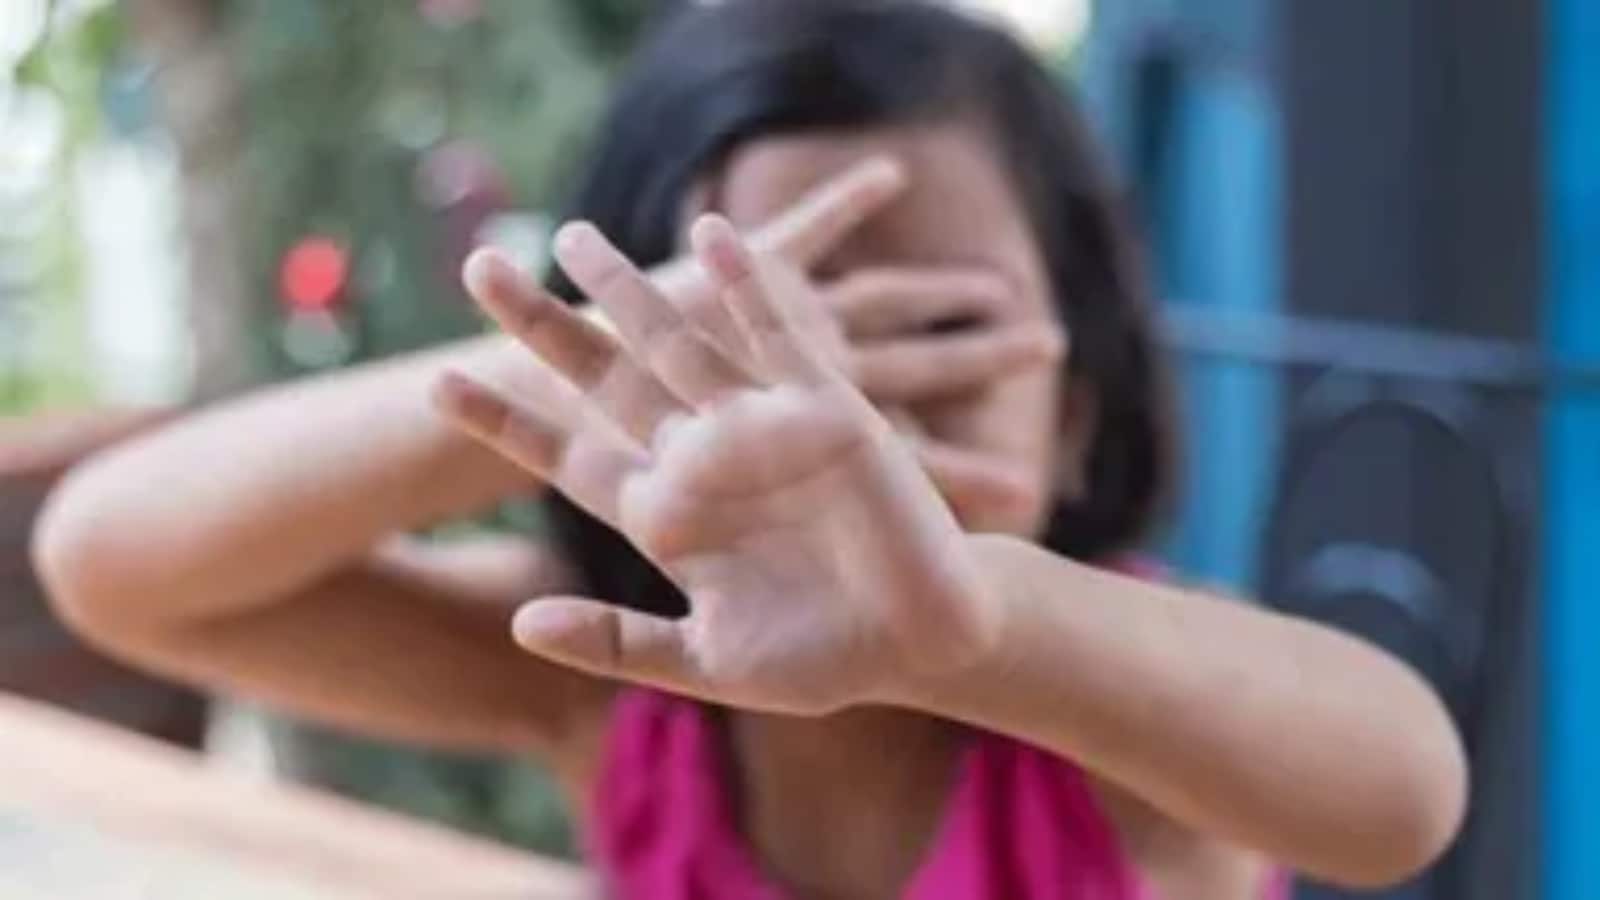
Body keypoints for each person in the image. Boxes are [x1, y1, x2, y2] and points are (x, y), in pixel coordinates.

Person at [34, 3, 1466, 898]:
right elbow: (115, 561)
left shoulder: (1114, 715)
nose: (835, 422)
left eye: (933, 331)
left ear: (1080, 402)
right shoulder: (615, 693)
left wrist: (979, 631)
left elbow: (1401, 791)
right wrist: (565, 362)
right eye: (748, 337)